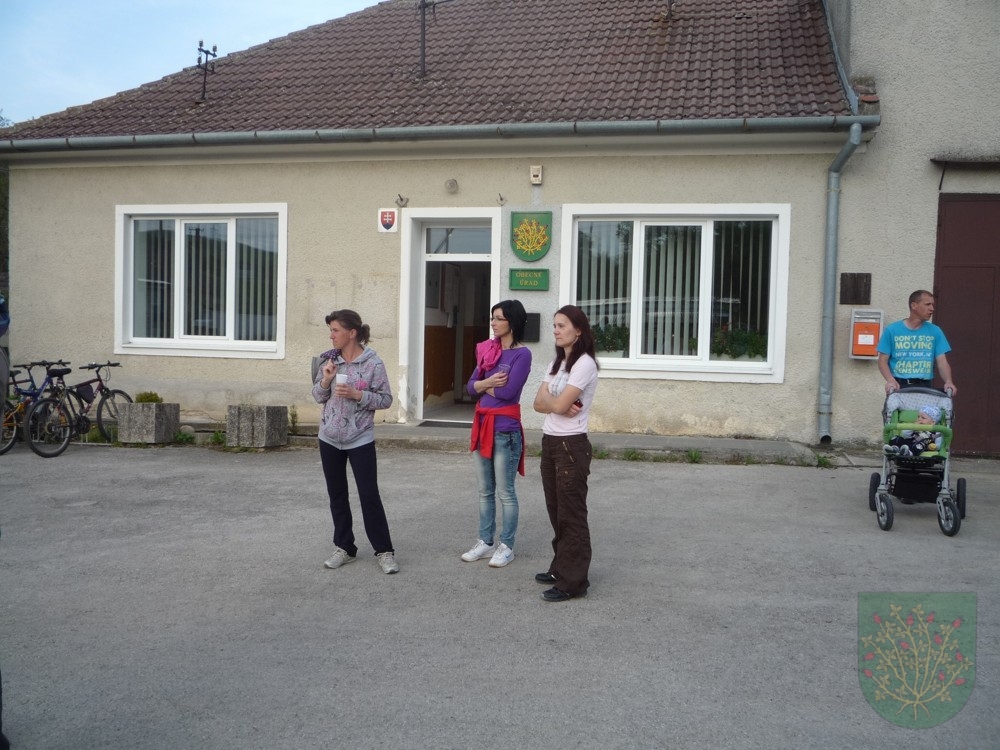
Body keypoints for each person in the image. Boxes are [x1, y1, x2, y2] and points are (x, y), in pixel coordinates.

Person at [313, 309, 399, 574]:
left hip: (360, 438)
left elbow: (385, 399)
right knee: (337, 495)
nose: (331, 336)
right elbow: (317, 396)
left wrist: (357, 394)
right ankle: (345, 547)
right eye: (330, 330)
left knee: (369, 495)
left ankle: (384, 551)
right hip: (329, 437)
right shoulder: (328, 359)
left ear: (352, 333)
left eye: (335, 330)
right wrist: (326, 380)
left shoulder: (373, 363)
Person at [532, 305, 599, 602]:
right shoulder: (557, 362)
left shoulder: (585, 364)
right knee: (556, 509)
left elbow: (554, 404)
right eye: (555, 326)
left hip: (571, 446)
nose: (556, 331)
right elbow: (537, 404)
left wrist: (555, 402)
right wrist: (556, 403)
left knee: (572, 514)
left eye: (562, 326)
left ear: (578, 330)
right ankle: (560, 568)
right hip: (550, 441)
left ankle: (574, 582)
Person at [462, 300, 532, 568]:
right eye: (492, 317)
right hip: (483, 427)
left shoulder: (522, 355)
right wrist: (488, 383)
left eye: (499, 318)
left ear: (512, 322)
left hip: (505, 431)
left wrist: (483, 386)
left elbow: (508, 392)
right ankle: (485, 541)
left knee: (506, 492)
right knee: (484, 491)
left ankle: (506, 546)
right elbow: (470, 387)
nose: (493, 323)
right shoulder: (488, 350)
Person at [877, 289, 957, 395]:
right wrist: (890, 380)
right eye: (927, 304)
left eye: (932, 305)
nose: (932, 309)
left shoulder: (935, 331)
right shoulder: (892, 330)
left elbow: (942, 361)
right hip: (899, 386)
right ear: (914, 306)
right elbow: (882, 361)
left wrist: (948, 381)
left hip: (925, 386)